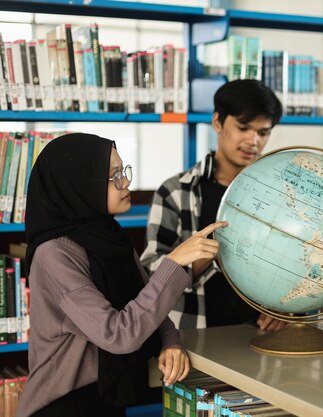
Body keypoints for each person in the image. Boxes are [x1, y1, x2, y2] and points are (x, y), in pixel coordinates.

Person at [17, 133, 227, 417]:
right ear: (80, 187)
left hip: (107, 395)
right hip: (64, 405)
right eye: (114, 176)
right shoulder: (54, 256)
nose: (126, 182)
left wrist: (170, 341)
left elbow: (146, 305)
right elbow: (119, 334)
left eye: (123, 171)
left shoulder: (110, 237)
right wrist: (174, 262)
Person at [141, 79, 286, 331]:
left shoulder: (284, 193)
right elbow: (148, 274)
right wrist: (201, 257)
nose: (253, 141)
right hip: (194, 335)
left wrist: (286, 309)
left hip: (261, 335)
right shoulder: (175, 192)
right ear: (217, 122)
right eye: (243, 128)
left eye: (263, 133)